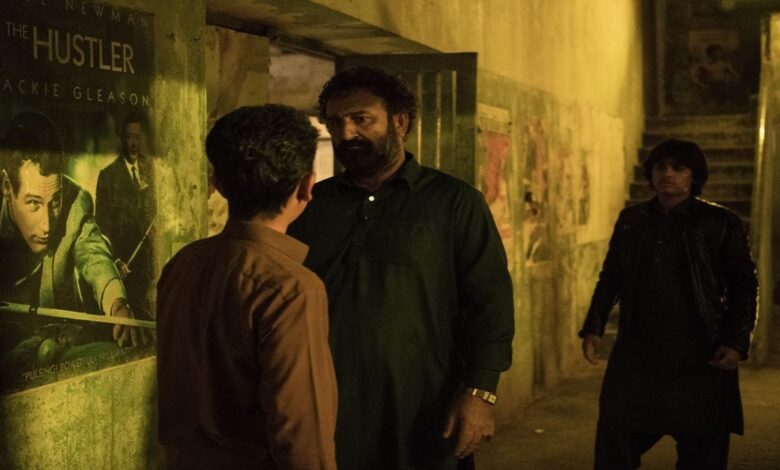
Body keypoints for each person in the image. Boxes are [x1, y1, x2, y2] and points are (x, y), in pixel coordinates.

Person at [289, 67, 515, 469]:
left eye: (361, 119)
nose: (346, 133)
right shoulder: (311, 204)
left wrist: (480, 393)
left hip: (423, 408)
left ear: (400, 123)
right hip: (328, 405)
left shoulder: (454, 203)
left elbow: (490, 304)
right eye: (336, 123)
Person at [156, 104, 338, 469]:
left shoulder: (183, 264)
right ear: (306, 186)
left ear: (219, 184)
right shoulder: (293, 288)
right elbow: (300, 436)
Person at [579, 138, 758, 469]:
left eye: (678, 168)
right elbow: (611, 277)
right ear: (651, 174)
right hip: (639, 352)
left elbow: (744, 285)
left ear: (694, 176)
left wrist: (736, 341)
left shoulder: (720, 222)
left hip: (700, 354)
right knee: (615, 443)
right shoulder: (632, 220)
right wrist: (594, 326)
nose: (668, 174)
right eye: (660, 167)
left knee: (702, 450)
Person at [0, 111, 140, 348]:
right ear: (7, 187)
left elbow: (94, 255)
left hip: (61, 348)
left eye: (55, 202)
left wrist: (118, 304)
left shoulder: (76, 201)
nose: (47, 225)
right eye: (34, 203)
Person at [95, 112, 156, 317]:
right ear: (121, 138)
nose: (133, 143)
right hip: (125, 269)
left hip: (151, 269)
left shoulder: (154, 170)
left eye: (137, 137)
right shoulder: (108, 176)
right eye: (129, 137)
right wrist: (115, 261)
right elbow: (101, 227)